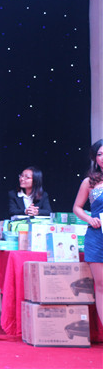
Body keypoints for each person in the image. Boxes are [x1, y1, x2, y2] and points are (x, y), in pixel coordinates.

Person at [73, 138, 103, 326]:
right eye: (99, 154)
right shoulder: (90, 182)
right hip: (97, 237)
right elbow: (77, 207)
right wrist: (89, 219)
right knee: (101, 285)